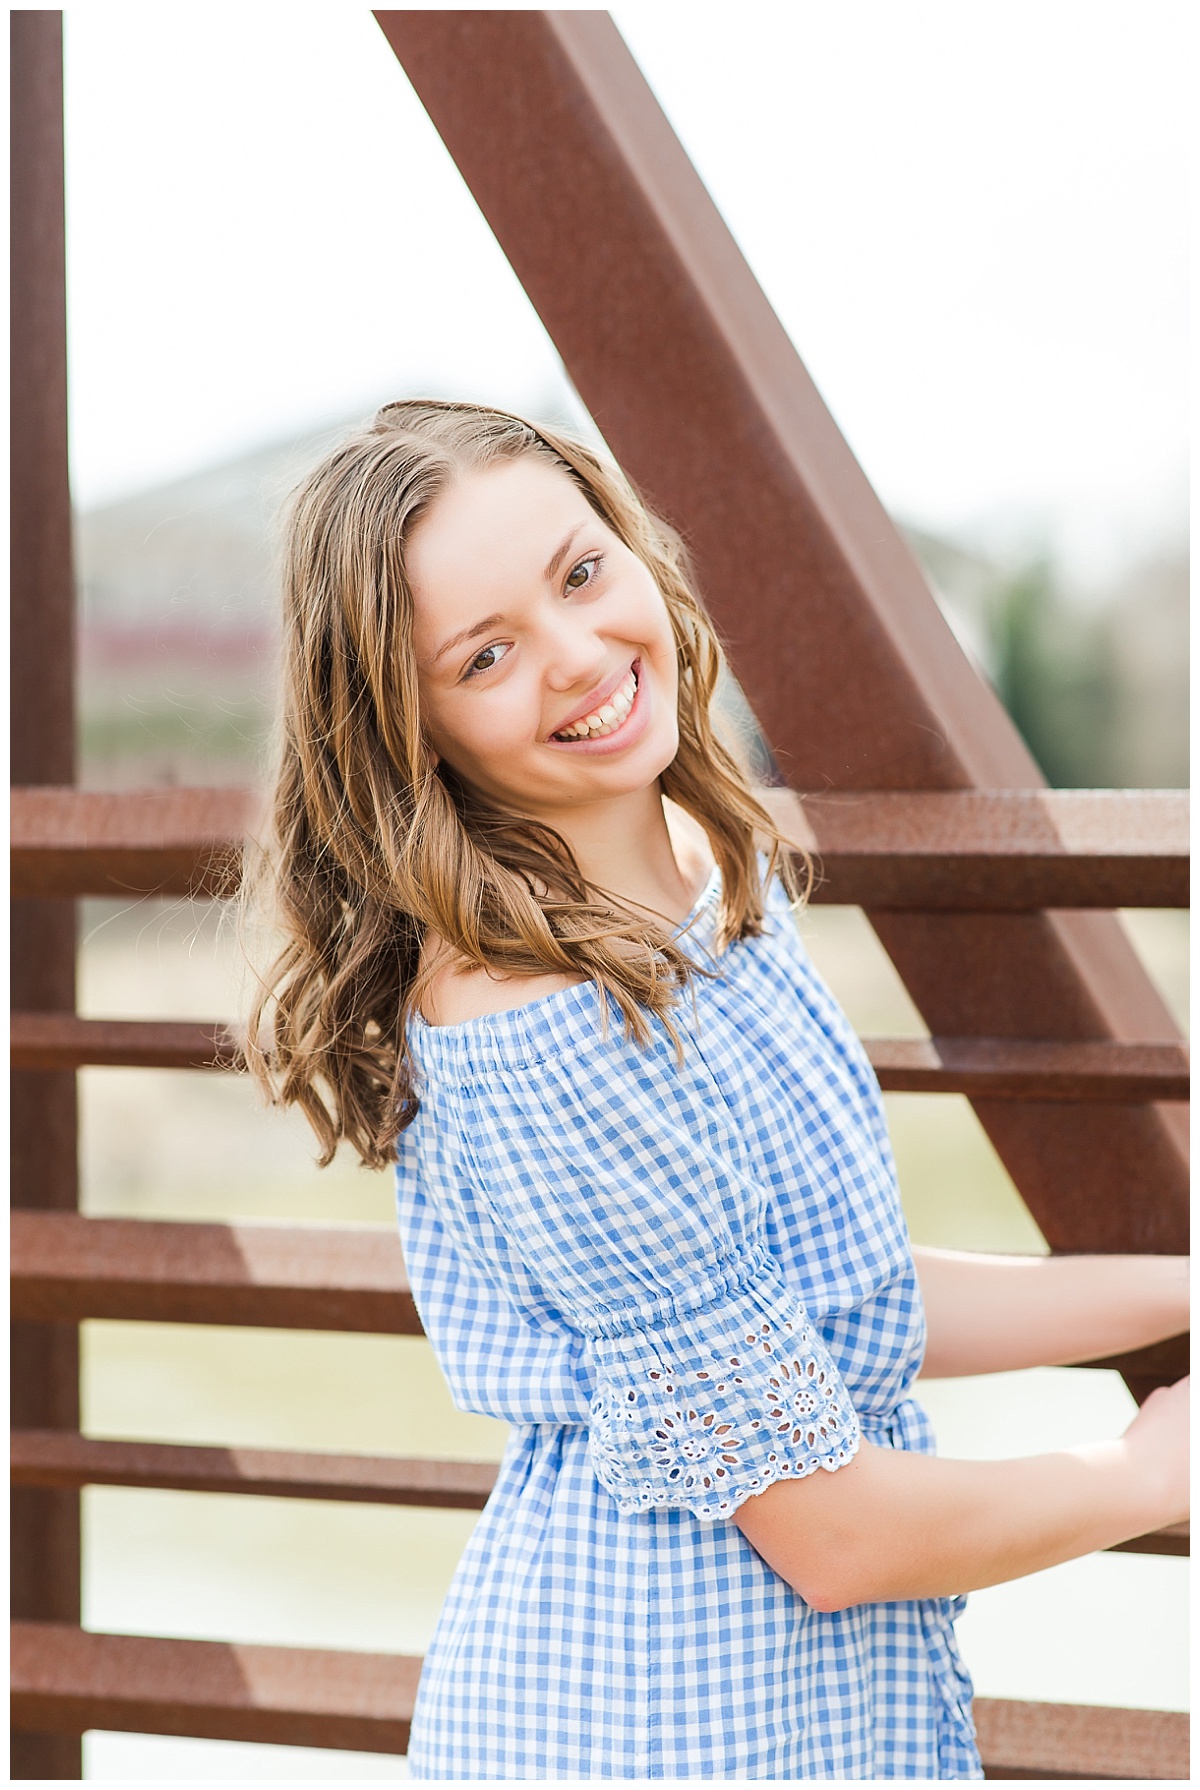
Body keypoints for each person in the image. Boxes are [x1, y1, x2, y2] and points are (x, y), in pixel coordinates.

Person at [246, 398, 1189, 1780]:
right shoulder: (538, 1021)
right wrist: (1150, 1475)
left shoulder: (687, 857)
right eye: (488, 653)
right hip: (664, 1720)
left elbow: (842, 1295)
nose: (578, 658)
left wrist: (1179, 1287)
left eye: (579, 572)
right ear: (412, 728)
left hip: (800, 1698)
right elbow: (833, 1533)